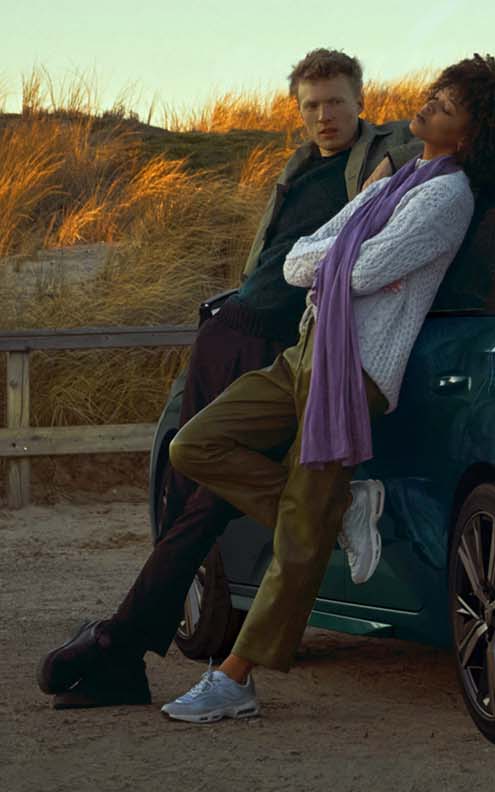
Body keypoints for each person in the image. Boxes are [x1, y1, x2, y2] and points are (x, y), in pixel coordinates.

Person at [157, 54, 495, 723]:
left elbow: (358, 272)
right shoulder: (397, 179)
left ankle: (237, 678)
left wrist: (326, 260)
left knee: (299, 531)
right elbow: (301, 258)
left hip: (354, 371)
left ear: (468, 135)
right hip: (308, 352)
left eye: (447, 106)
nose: (429, 104)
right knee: (195, 445)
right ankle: (343, 510)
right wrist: (328, 259)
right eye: (436, 93)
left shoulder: (446, 198)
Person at [36, 48, 417, 710]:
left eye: (335, 101)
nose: (324, 116)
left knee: (208, 499)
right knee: (181, 490)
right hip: (226, 330)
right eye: (311, 105)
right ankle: (127, 651)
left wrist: (391, 162)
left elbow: (427, 143)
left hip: (279, 347)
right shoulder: (299, 167)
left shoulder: (386, 150)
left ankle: (120, 644)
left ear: (361, 101)